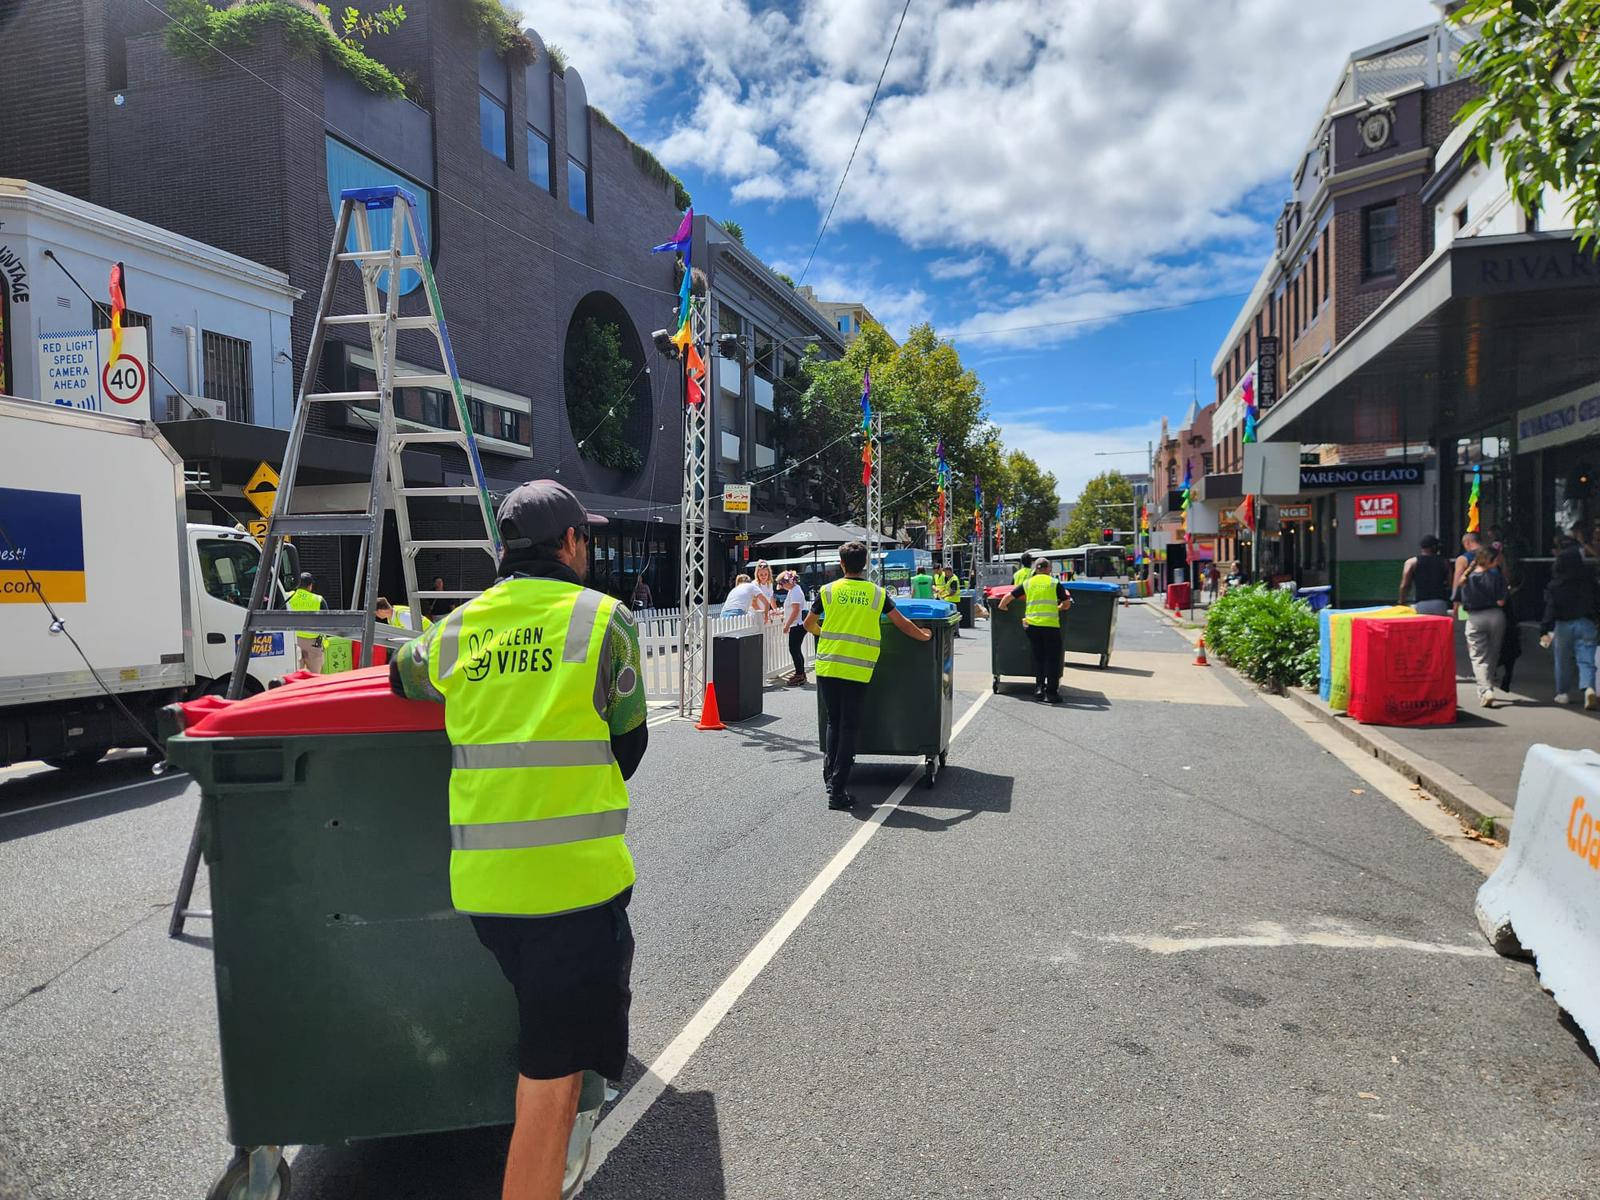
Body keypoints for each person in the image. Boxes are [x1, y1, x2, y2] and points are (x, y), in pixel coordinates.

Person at [390, 479, 646, 1200]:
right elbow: (629, 745)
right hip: (571, 889)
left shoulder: (459, 627)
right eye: (585, 538)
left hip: (487, 892)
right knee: (551, 1079)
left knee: (552, 1045)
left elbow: (401, 677)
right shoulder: (604, 619)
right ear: (569, 542)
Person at [805, 541, 931, 809]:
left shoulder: (828, 591)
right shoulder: (877, 594)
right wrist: (924, 636)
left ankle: (830, 779)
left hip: (828, 666)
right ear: (864, 564)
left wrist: (823, 633)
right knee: (848, 727)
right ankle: (838, 791)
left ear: (841, 564)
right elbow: (902, 623)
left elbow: (808, 624)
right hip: (857, 669)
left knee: (833, 723)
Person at [998, 557, 1073, 702]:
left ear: (1036, 569)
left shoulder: (1028, 583)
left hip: (1032, 627)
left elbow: (1008, 597)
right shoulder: (1054, 583)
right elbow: (1066, 604)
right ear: (1048, 569)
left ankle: (1039, 688)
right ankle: (1051, 693)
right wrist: (1058, 608)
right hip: (1050, 626)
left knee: (1039, 657)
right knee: (1052, 659)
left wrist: (1003, 606)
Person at [1539, 543, 1599, 708]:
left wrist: (1545, 628)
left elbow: (1551, 609)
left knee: (1562, 660)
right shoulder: (1589, 583)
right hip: (1587, 623)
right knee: (1587, 660)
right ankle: (1589, 688)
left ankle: (1563, 693)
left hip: (1563, 625)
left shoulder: (1555, 586)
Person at [1459, 548, 1509, 707]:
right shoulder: (1496, 576)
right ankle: (1488, 683)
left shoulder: (1467, 578)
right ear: (1491, 560)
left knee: (1478, 656)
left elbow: (1460, 600)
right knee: (1493, 653)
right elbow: (1501, 601)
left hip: (1475, 617)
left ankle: (1485, 689)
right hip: (1496, 616)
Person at [1398, 535, 1452, 615]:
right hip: (1440, 602)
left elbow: (1405, 585)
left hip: (1421, 603)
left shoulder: (1411, 562)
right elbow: (1450, 583)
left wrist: (1402, 601)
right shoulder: (1445, 562)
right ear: (1434, 547)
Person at [288, 571, 326, 674]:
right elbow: (327, 620)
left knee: (296, 674)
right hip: (313, 642)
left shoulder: (287, 596)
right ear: (310, 585)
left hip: (294, 640)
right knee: (315, 675)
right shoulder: (318, 599)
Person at [779, 570, 810, 686]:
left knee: (794, 649)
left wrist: (787, 625)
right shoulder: (793, 590)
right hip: (797, 624)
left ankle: (800, 674)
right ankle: (800, 673)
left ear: (788, 582)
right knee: (796, 649)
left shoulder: (795, 591)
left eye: (782, 584)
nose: (781, 586)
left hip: (797, 625)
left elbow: (796, 610)